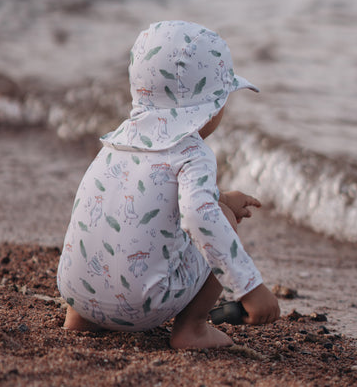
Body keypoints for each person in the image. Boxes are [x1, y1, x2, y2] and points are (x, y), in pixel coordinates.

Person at [57, 20, 280, 349]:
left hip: (75, 290)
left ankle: (82, 319)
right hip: (141, 308)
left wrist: (219, 197)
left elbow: (152, 196)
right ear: (211, 108)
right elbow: (200, 217)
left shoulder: (117, 141)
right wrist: (250, 287)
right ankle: (192, 328)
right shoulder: (193, 153)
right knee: (221, 219)